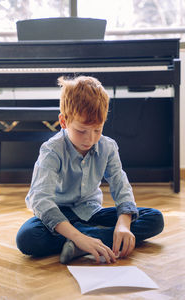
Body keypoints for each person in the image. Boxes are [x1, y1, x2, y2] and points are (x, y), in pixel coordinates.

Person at [16, 76, 164, 264]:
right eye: (81, 131)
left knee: (154, 218)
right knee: (28, 238)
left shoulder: (108, 147)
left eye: (97, 130)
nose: (90, 139)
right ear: (63, 121)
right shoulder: (51, 150)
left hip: (92, 213)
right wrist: (78, 236)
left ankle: (85, 241)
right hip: (59, 216)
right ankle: (87, 239)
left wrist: (124, 225)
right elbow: (41, 200)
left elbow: (121, 186)